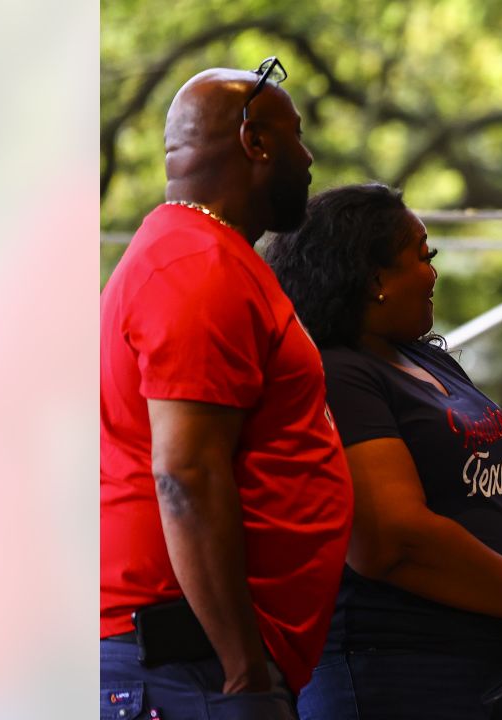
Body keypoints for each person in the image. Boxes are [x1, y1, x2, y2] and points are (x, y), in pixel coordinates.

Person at [265, 183, 502, 720]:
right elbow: (393, 539)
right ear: (374, 280)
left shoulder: (427, 360)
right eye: (422, 257)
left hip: (486, 667)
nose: (434, 272)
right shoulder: (335, 372)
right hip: (392, 673)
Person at [100, 57, 353, 718]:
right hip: (188, 661)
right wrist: (244, 669)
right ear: (256, 142)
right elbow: (184, 472)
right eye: (295, 134)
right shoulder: (195, 265)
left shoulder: (213, 256)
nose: (308, 155)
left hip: (203, 658)